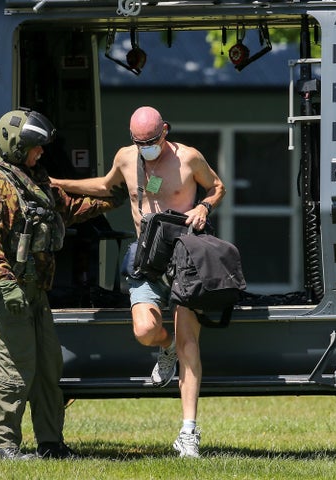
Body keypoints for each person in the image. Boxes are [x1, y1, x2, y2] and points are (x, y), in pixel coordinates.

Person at [50, 106, 225, 458]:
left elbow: (217, 187)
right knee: (145, 330)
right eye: (140, 142)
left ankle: (188, 433)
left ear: (165, 131)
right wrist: (57, 184)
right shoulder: (127, 159)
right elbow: (103, 185)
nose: (147, 147)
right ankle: (165, 347)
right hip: (146, 260)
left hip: (184, 259)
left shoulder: (188, 158)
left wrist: (204, 207)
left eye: (152, 141)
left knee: (190, 342)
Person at [0, 108, 123, 460]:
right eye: (35, 147)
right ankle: (5, 446)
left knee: (47, 368)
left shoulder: (33, 179)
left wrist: (117, 197)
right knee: (15, 368)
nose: (41, 153)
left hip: (36, 292)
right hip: (10, 294)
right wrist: (6, 284)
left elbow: (67, 207)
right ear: (15, 145)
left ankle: (50, 443)